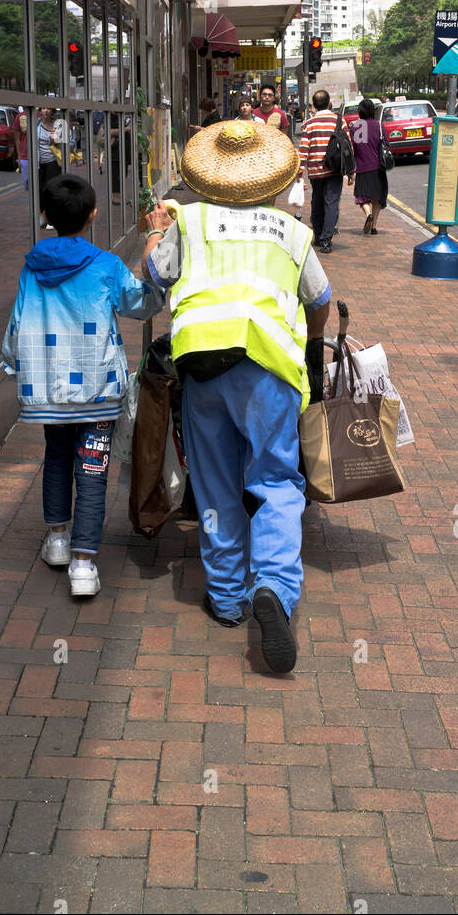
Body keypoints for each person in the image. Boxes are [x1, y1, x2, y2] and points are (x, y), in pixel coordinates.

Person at [142, 119, 331, 673]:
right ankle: (273, 587)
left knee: (216, 483)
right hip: (269, 367)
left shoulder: (190, 219)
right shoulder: (293, 231)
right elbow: (318, 299)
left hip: (202, 363)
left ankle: (226, 597)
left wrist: (157, 230)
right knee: (274, 480)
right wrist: (310, 347)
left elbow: (156, 277)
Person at [2, 174, 165, 597]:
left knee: (56, 458)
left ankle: (57, 540)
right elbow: (144, 303)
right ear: (94, 215)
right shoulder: (107, 266)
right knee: (92, 471)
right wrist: (153, 241)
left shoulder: (32, 267)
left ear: (45, 216)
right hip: (98, 390)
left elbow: (17, 325)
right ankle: (83, 565)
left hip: (50, 392)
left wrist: (12, 365)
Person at [296, 88, 344, 254]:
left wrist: (299, 173)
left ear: (314, 106)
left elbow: (303, 150)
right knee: (331, 203)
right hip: (336, 169)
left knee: (317, 202)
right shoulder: (339, 121)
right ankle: (326, 240)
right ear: (329, 103)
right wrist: (352, 172)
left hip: (316, 170)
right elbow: (348, 148)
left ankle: (318, 234)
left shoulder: (309, 124)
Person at [350, 96, 387, 234]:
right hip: (378, 168)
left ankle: (368, 215)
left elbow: (353, 148)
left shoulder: (355, 127)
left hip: (362, 168)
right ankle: (374, 227)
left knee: (363, 197)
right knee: (376, 198)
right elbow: (387, 145)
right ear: (373, 111)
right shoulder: (379, 125)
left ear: (360, 112)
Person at [37, 108, 62, 225]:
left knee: (51, 190)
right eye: (43, 108)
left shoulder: (60, 125)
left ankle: (51, 218)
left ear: (52, 111)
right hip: (38, 162)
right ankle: (43, 215)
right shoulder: (36, 124)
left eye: (48, 109)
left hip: (53, 161)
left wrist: (56, 140)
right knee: (39, 190)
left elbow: (71, 143)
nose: (45, 111)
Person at [13, 108, 30, 188]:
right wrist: (19, 157)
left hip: (41, 156)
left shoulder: (41, 115)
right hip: (25, 156)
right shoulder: (20, 116)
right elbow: (17, 139)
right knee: (30, 186)